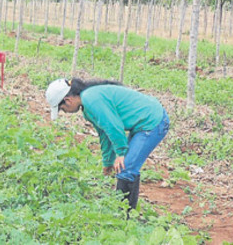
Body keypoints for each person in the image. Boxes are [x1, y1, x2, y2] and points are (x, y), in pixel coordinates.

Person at [45, 78, 169, 213]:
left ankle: (125, 217)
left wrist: (121, 153)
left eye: (62, 109)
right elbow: (104, 133)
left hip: (152, 121)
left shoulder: (91, 99)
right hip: (141, 122)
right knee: (124, 167)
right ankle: (122, 211)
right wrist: (108, 161)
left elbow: (114, 126)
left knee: (126, 167)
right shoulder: (88, 105)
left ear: (68, 100)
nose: (65, 112)